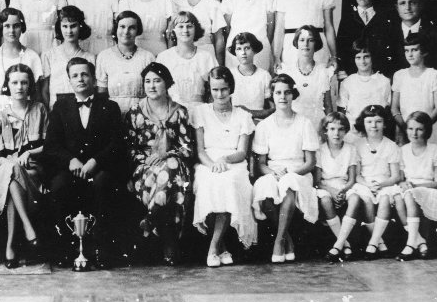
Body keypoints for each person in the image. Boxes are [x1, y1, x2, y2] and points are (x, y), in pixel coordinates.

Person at [42, 57, 126, 268]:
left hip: (100, 168)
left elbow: (116, 144)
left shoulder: (110, 107)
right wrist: (70, 160)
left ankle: (101, 248)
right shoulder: (60, 107)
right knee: (59, 186)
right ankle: (66, 247)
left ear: (93, 78)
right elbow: (52, 144)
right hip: (70, 168)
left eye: (84, 74)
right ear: (69, 80)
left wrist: (95, 162)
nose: (80, 79)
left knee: (103, 185)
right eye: (75, 76)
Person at [126, 62, 194, 265]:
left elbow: (188, 148)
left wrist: (166, 155)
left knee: (170, 167)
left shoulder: (179, 111)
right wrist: (147, 159)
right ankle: (169, 243)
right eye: (147, 81)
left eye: (157, 81)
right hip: (145, 167)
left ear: (167, 84)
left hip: (174, 164)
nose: (152, 86)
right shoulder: (135, 112)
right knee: (167, 179)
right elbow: (129, 148)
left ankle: (151, 218)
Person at [191, 67, 257, 267]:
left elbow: (242, 152)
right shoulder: (201, 112)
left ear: (231, 89)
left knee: (229, 182)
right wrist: (213, 164)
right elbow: (200, 150)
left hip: (234, 163)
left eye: (224, 89)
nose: (220, 94)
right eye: (215, 89)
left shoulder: (243, 115)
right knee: (210, 182)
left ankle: (213, 247)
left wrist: (225, 160)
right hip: (207, 163)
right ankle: (222, 247)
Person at [252, 74, 320, 263]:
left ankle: (278, 242)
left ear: (293, 95)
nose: (283, 97)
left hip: (299, 174)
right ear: (272, 96)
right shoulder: (265, 125)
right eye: (278, 92)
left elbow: (310, 162)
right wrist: (274, 174)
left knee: (289, 183)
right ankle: (287, 239)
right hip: (274, 172)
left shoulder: (304, 123)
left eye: (287, 92)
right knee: (264, 187)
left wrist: (290, 173)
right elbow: (261, 164)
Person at [0, 64, 47, 268]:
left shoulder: (39, 109)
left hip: (32, 172)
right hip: (5, 169)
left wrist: (30, 152)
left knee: (11, 177)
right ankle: (28, 229)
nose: (19, 87)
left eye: (24, 82)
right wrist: (11, 162)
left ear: (30, 85)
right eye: (14, 82)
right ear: (7, 85)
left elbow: (48, 146)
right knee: (9, 171)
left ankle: (10, 245)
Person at [347, 105, 402, 259]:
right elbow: (356, 175)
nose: (374, 125)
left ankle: (373, 243)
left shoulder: (391, 146)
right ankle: (380, 243)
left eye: (378, 121)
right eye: (369, 121)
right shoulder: (357, 145)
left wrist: (381, 185)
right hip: (365, 183)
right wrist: (368, 185)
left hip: (386, 184)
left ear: (384, 124)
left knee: (385, 199)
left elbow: (396, 176)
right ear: (363, 124)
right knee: (366, 199)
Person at [395, 111, 437, 260]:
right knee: (398, 197)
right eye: (410, 129)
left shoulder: (434, 150)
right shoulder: (402, 151)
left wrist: (415, 186)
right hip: (410, 190)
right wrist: (405, 183)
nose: (414, 133)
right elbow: (400, 180)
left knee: (409, 195)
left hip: (430, 190)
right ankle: (420, 242)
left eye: (419, 129)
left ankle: (410, 244)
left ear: (427, 131)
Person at [0, 8, 44, 113]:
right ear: (1, 28)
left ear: (22, 27)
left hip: (26, 112)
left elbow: (36, 95)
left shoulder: (32, 57)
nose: (12, 31)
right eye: (7, 26)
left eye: (16, 26)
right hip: (0, 113)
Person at [314, 112, 358, 261]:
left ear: (345, 131)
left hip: (344, 186)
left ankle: (338, 245)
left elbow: (352, 179)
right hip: (326, 186)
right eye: (332, 129)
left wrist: (344, 190)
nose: (336, 133)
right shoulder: (320, 150)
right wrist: (331, 191)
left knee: (355, 198)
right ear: (326, 130)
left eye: (340, 129)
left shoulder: (350, 149)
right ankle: (344, 244)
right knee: (325, 200)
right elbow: (318, 181)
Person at [156, 11, 217, 114]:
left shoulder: (206, 56)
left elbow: (216, 87)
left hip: (200, 112)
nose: (185, 30)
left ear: (195, 29)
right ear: (173, 30)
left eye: (189, 26)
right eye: (180, 26)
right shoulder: (164, 57)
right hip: (171, 112)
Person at [96, 11, 155, 114]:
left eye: (132, 27)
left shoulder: (148, 57)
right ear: (116, 29)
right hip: (113, 114)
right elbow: (102, 95)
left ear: (137, 31)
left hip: (142, 113)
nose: (126, 31)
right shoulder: (104, 56)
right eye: (122, 26)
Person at [391, 32, 437, 147]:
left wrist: (424, 126)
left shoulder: (433, 74)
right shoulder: (399, 75)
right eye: (406, 50)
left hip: (430, 128)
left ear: (424, 52)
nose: (410, 54)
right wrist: (406, 127)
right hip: (405, 129)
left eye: (414, 50)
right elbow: (394, 108)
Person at [335, 0, 392, 77]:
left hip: (378, 75)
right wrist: (344, 69)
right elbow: (341, 47)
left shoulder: (383, 20)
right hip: (353, 74)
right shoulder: (347, 20)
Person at [384, 0, 437, 75]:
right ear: (397, 8)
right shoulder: (388, 33)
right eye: (402, 3)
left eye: (412, 2)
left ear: (420, 5)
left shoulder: (436, 33)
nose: (407, 8)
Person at [279, 25, 334, 130]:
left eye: (311, 40)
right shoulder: (287, 70)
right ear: (296, 43)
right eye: (302, 40)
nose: (305, 44)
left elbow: (328, 106)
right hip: (293, 123)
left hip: (317, 123)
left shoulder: (323, 71)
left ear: (316, 43)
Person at [337, 38, 392, 143]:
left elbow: (387, 112)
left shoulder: (384, 81)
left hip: (377, 134)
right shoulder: (347, 82)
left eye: (366, 56)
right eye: (358, 57)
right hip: (353, 136)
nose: (362, 61)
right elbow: (342, 114)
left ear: (372, 57)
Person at [41, 6, 95, 109]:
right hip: (55, 109)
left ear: (80, 26)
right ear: (59, 27)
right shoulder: (48, 55)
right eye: (65, 26)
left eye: (73, 26)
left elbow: (92, 89)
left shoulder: (90, 57)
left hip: (82, 108)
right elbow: (45, 90)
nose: (69, 31)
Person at [174, 0, 226, 64]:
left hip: (206, 56)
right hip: (182, 54)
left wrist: (219, 65)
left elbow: (219, 39)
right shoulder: (175, 3)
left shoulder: (213, 5)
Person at [228, 32, 273, 121]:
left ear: (254, 50)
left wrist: (249, 112)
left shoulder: (264, 76)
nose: (243, 52)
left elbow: (272, 109)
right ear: (235, 52)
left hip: (258, 122)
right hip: (235, 122)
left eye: (247, 48)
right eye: (239, 49)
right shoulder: (230, 74)